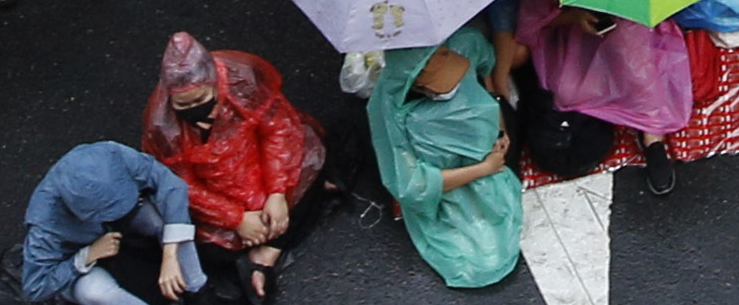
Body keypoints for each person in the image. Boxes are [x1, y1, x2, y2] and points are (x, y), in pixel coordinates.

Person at [138, 35, 328, 292]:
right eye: (184, 105)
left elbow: (278, 132)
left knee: (314, 165)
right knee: (207, 252)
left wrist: (276, 192)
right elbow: (181, 184)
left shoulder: (244, 83)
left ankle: (265, 253)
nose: (195, 109)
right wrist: (236, 218)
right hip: (217, 197)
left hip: (262, 170)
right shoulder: (163, 127)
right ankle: (273, 245)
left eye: (201, 99)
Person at [366, 22, 521, 290]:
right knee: (480, 258)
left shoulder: (466, 44)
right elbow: (413, 185)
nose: (455, 84)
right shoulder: (391, 114)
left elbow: (486, 68)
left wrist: (499, 127)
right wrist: (484, 169)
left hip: (486, 153)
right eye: (440, 85)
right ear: (414, 84)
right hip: (455, 180)